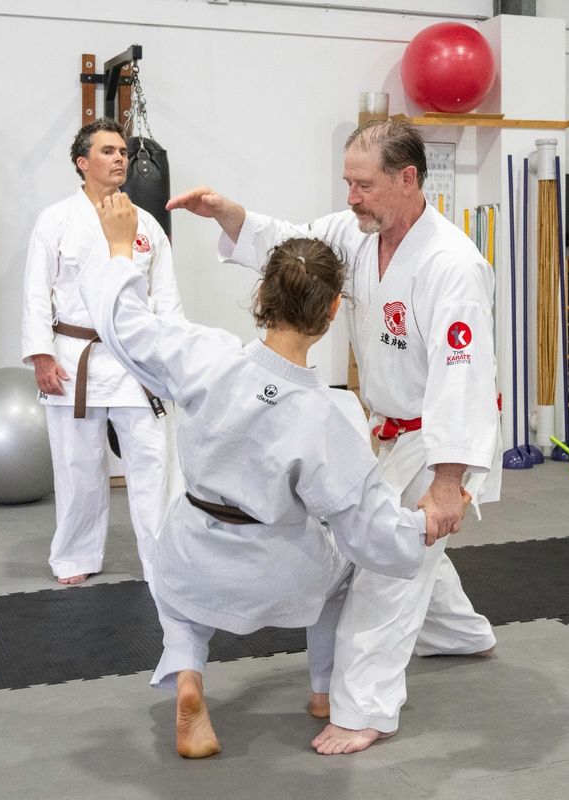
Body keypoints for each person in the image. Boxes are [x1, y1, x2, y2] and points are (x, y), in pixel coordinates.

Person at [80, 191, 464, 759]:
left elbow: (126, 325)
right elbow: (368, 527)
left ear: (259, 295)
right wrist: (426, 523)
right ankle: (321, 690)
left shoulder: (205, 355)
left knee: (173, 587)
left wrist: (119, 249)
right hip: (280, 572)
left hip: (196, 555)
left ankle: (189, 678)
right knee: (345, 579)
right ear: (334, 314)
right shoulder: (329, 416)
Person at [167, 118, 501, 754]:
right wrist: (231, 215)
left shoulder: (453, 266)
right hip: (387, 429)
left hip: (438, 439)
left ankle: (365, 709)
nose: (351, 197)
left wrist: (450, 482)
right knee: (413, 551)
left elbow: (465, 381)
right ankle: (465, 635)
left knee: (384, 573)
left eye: (363, 184)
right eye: (346, 183)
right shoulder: (356, 231)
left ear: (408, 179)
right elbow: (294, 247)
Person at [21, 118, 184, 586]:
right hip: (75, 358)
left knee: (155, 467)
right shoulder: (55, 220)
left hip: (136, 360)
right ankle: (75, 557)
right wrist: (41, 355)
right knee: (77, 468)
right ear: (82, 162)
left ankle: (163, 563)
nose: (119, 158)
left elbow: (166, 296)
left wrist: (169, 355)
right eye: (108, 151)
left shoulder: (146, 223)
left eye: (122, 151)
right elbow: (36, 292)